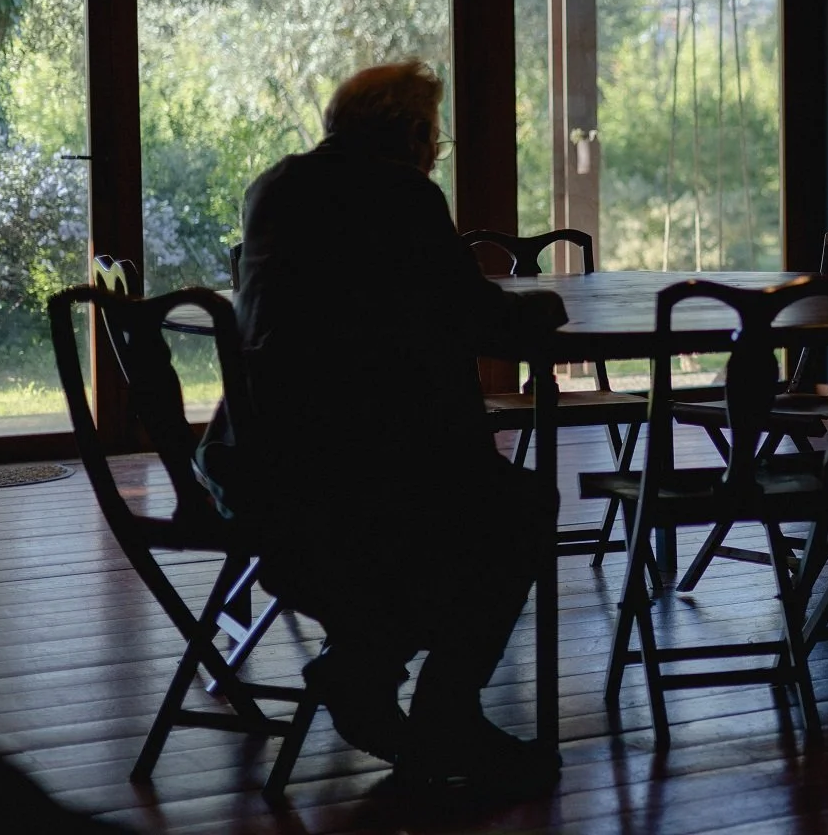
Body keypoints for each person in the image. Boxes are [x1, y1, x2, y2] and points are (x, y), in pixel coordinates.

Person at [195, 59, 564, 791]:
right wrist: (544, 309)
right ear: (413, 133)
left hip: (253, 474)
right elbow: (481, 319)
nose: (437, 151)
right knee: (518, 509)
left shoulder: (272, 188)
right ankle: (441, 711)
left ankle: (366, 662)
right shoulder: (402, 197)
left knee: (443, 514)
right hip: (348, 494)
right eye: (436, 136)